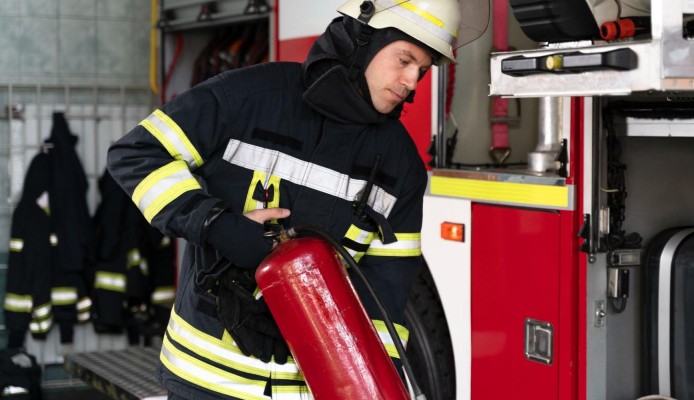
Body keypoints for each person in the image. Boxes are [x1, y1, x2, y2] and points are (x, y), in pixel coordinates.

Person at [106, 0, 486, 398]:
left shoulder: (401, 165)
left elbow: (386, 295)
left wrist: (375, 387)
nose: (411, 81)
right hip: (205, 381)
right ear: (363, 40)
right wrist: (216, 224)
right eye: (404, 60)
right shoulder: (250, 96)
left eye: (422, 70)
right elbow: (137, 154)